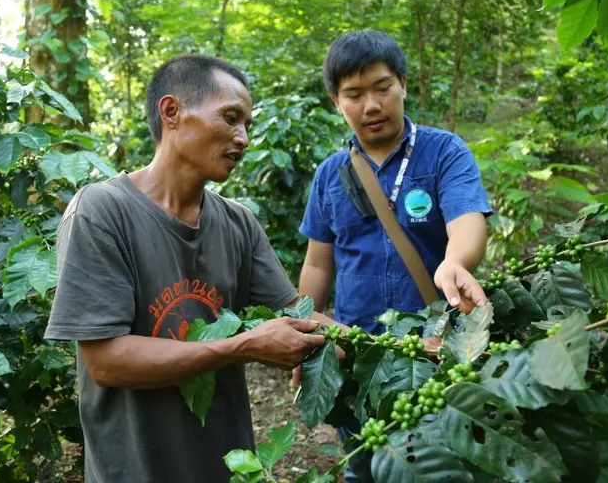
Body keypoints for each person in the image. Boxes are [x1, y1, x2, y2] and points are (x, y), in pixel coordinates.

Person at [44, 54, 326, 483]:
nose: (243, 137)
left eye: (247, 123)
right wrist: (242, 346)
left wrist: (412, 350)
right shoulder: (100, 211)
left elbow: (297, 316)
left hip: (231, 467)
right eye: (231, 118)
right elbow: (106, 361)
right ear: (172, 112)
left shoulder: (238, 222)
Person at [296, 29, 493, 482]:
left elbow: (467, 217)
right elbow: (318, 263)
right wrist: (306, 337)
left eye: (382, 88)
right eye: (354, 94)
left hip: (433, 348)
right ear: (336, 102)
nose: (371, 105)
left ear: (403, 84)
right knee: (363, 465)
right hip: (356, 351)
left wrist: (456, 261)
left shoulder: (444, 151)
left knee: (438, 465)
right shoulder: (330, 174)